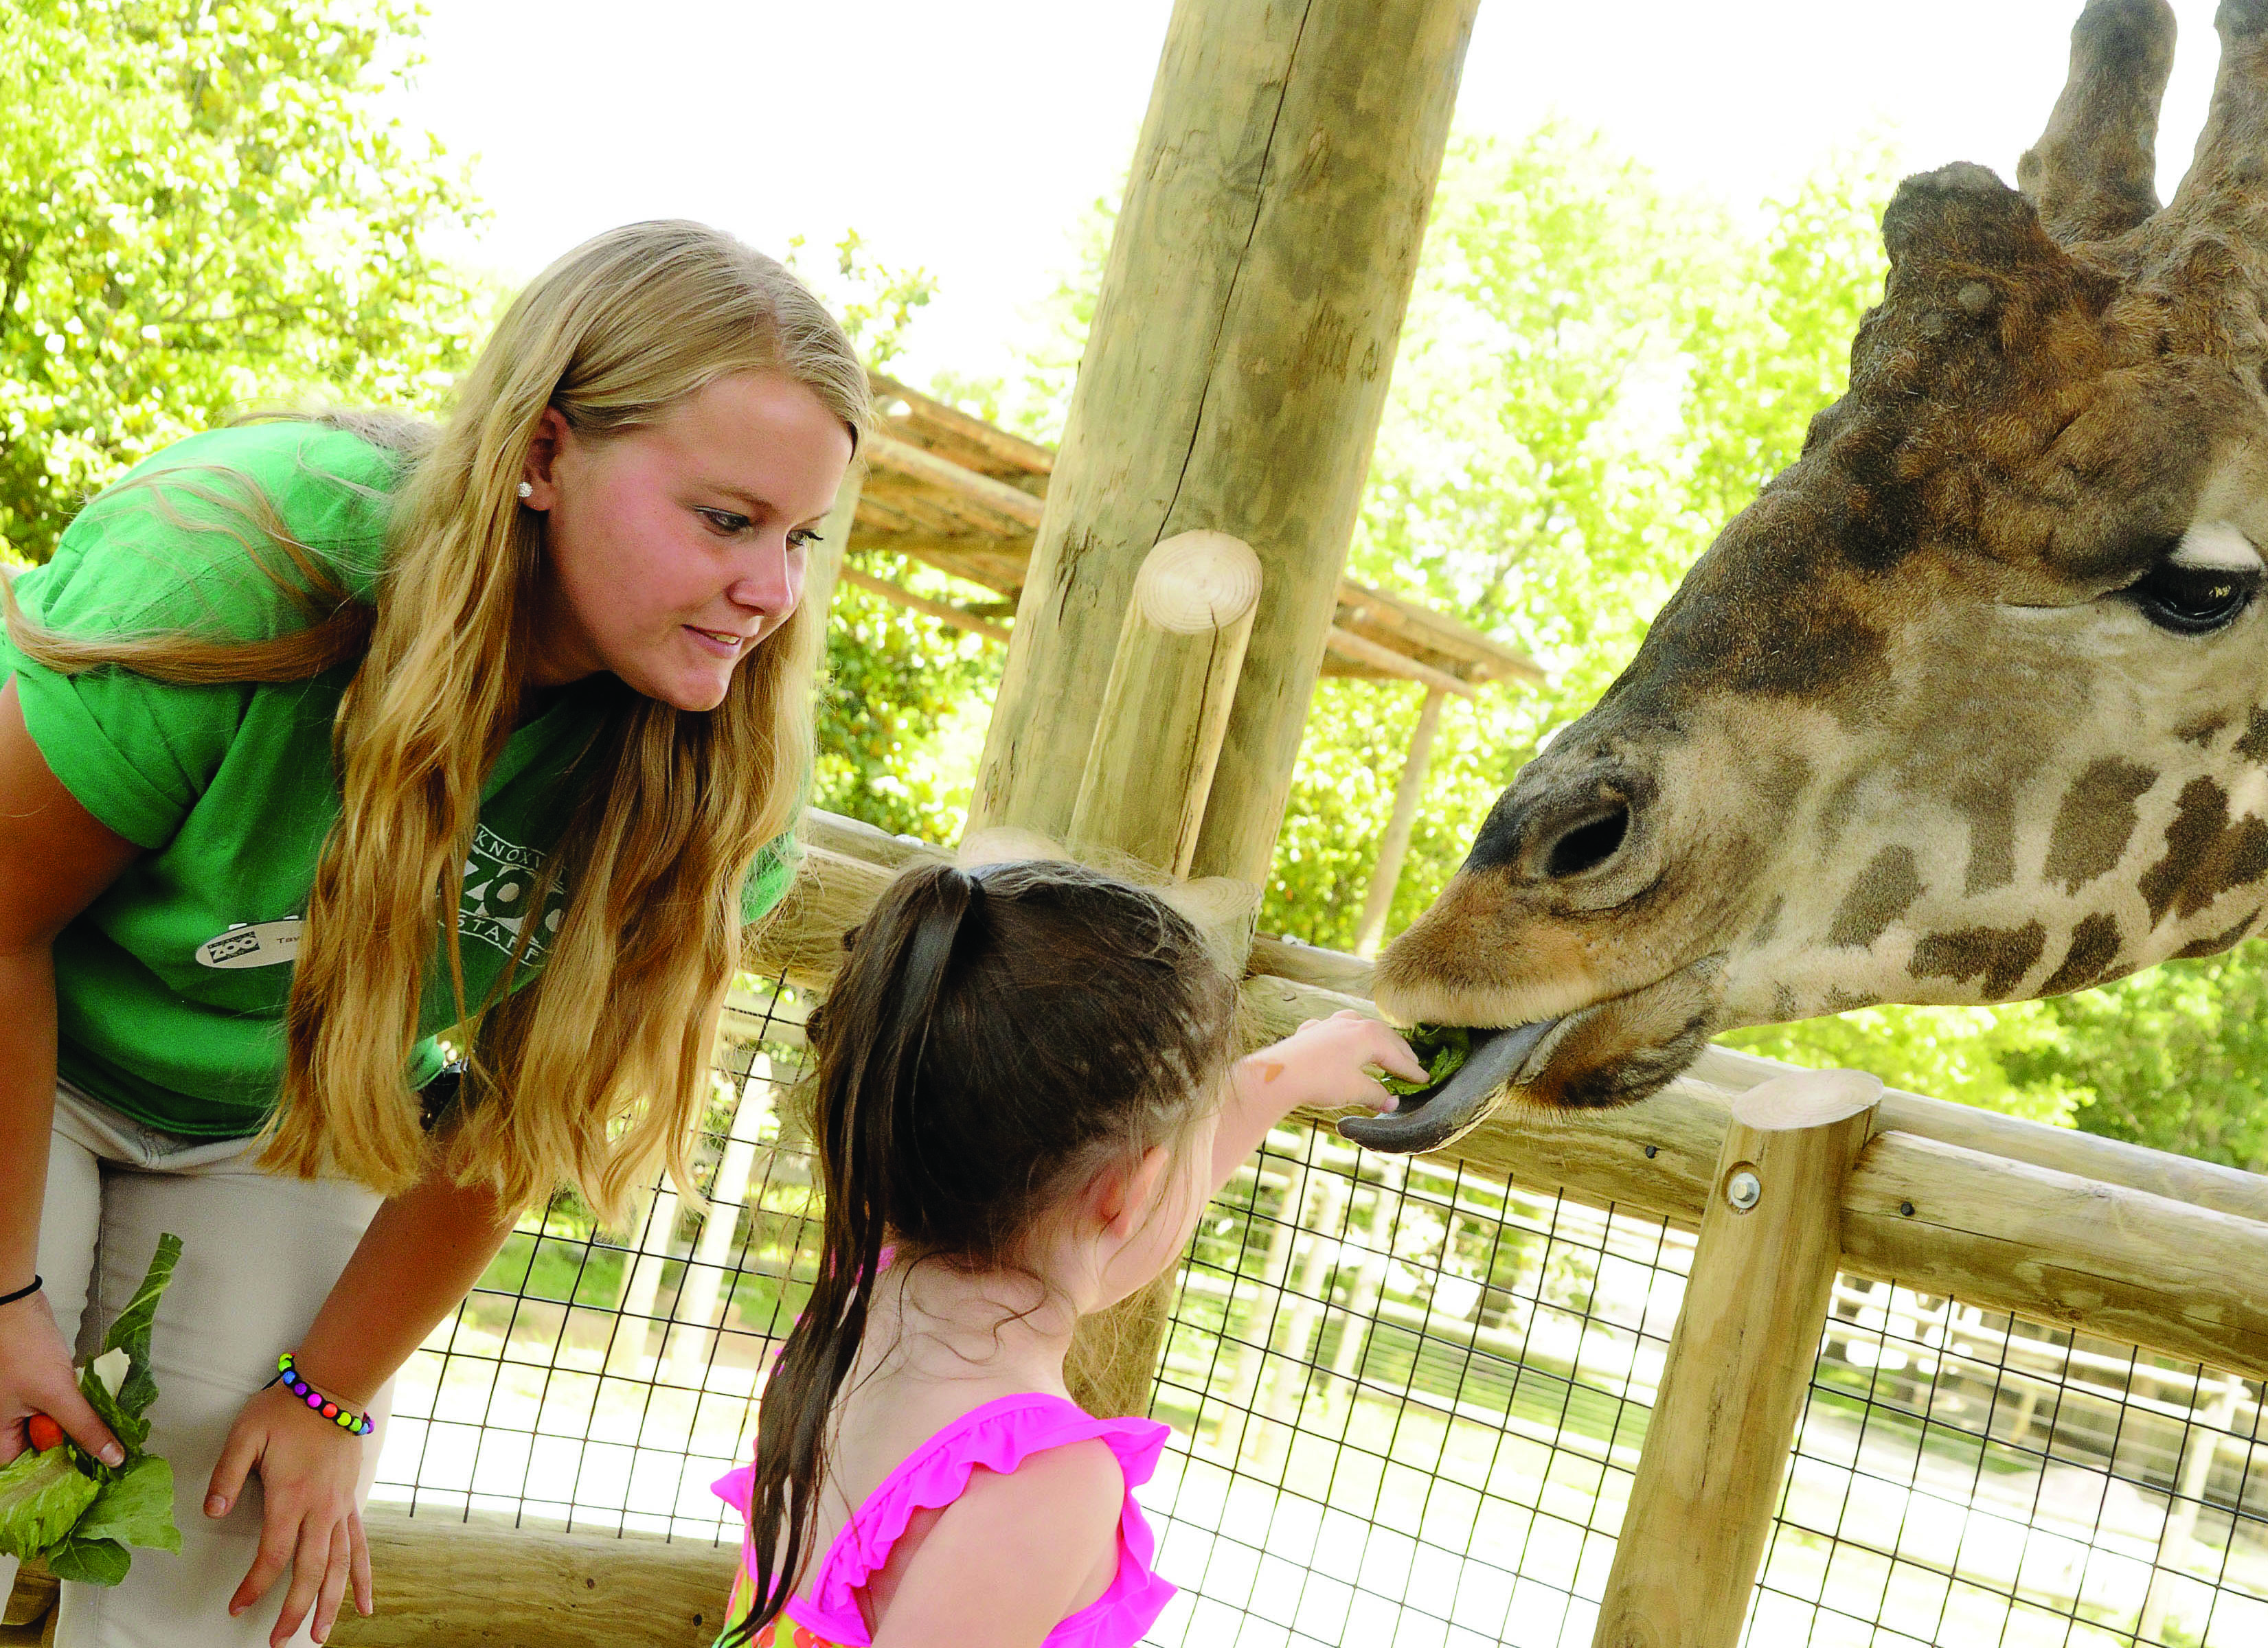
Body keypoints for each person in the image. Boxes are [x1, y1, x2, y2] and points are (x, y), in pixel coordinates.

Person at [0, 220, 867, 1647]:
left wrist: (325, 1396)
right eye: (725, 520)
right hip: (36, 1033)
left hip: (285, 1119)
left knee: (236, 1559)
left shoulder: (724, 779)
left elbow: (522, 1116)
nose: (772, 594)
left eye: (800, 538)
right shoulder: (246, 555)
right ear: (540, 454)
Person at [714, 860, 1425, 1648]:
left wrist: (1269, 1082)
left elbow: (1112, 1236)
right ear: (1125, 1192)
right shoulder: (1044, 1486)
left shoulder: (863, 1308)